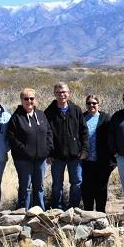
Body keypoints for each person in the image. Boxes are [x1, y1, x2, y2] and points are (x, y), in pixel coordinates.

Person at [44, 82, 88, 210]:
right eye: (58, 92)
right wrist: (49, 153)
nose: (61, 95)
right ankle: (57, 207)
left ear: (68, 93)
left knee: (77, 182)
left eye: (64, 92)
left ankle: (74, 208)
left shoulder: (76, 110)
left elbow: (83, 131)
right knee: (57, 184)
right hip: (57, 156)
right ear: (54, 94)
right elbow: (47, 135)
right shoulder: (49, 112)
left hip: (75, 154)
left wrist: (84, 149)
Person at [7, 88, 53, 211]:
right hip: (23, 160)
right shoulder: (16, 117)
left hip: (40, 159)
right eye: (26, 99)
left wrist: (47, 149)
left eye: (31, 98)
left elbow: (49, 132)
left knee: (39, 187)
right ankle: (23, 214)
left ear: (35, 99)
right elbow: (13, 138)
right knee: (25, 187)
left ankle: (40, 214)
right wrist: (26, 151)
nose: (29, 101)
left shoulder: (41, 115)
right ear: (21, 100)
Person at [81, 94, 115, 212]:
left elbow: (113, 137)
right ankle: (88, 213)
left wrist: (113, 159)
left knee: (101, 188)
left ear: (98, 105)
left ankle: (101, 213)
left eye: (94, 103)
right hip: (86, 160)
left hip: (102, 160)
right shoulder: (82, 117)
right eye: (89, 103)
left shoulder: (106, 118)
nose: (91, 105)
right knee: (87, 188)